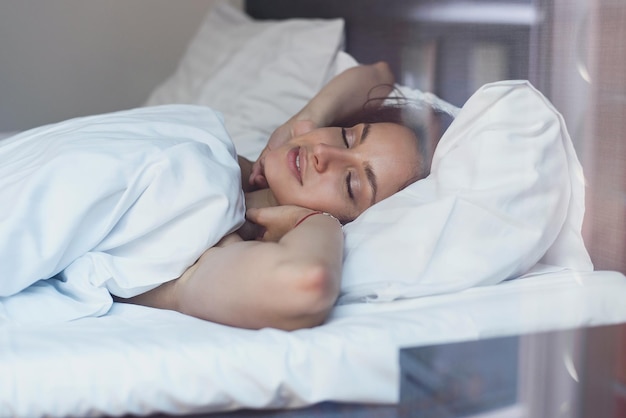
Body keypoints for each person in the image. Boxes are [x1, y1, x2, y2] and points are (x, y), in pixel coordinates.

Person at [122, 62, 439, 331]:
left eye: (350, 183)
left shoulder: (213, 253)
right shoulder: (223, 156)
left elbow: (306, 282)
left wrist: (312, 223)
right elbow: (379, 75)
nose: (324, 152)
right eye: (346, 136)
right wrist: (306, 121)